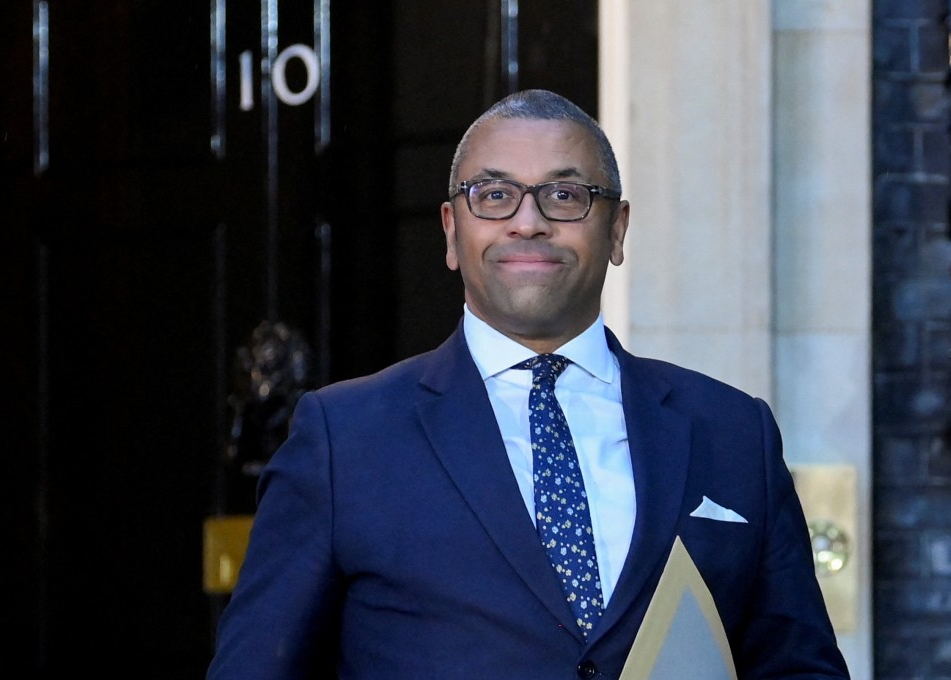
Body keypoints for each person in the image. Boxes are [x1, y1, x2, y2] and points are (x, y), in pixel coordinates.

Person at [207, 89, 849, 679]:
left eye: (565, 196)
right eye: (493, 195)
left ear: (617, 230)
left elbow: (800, 667)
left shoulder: (734, 432)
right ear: (453, 231)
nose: (528, 222)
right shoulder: (343, 439)